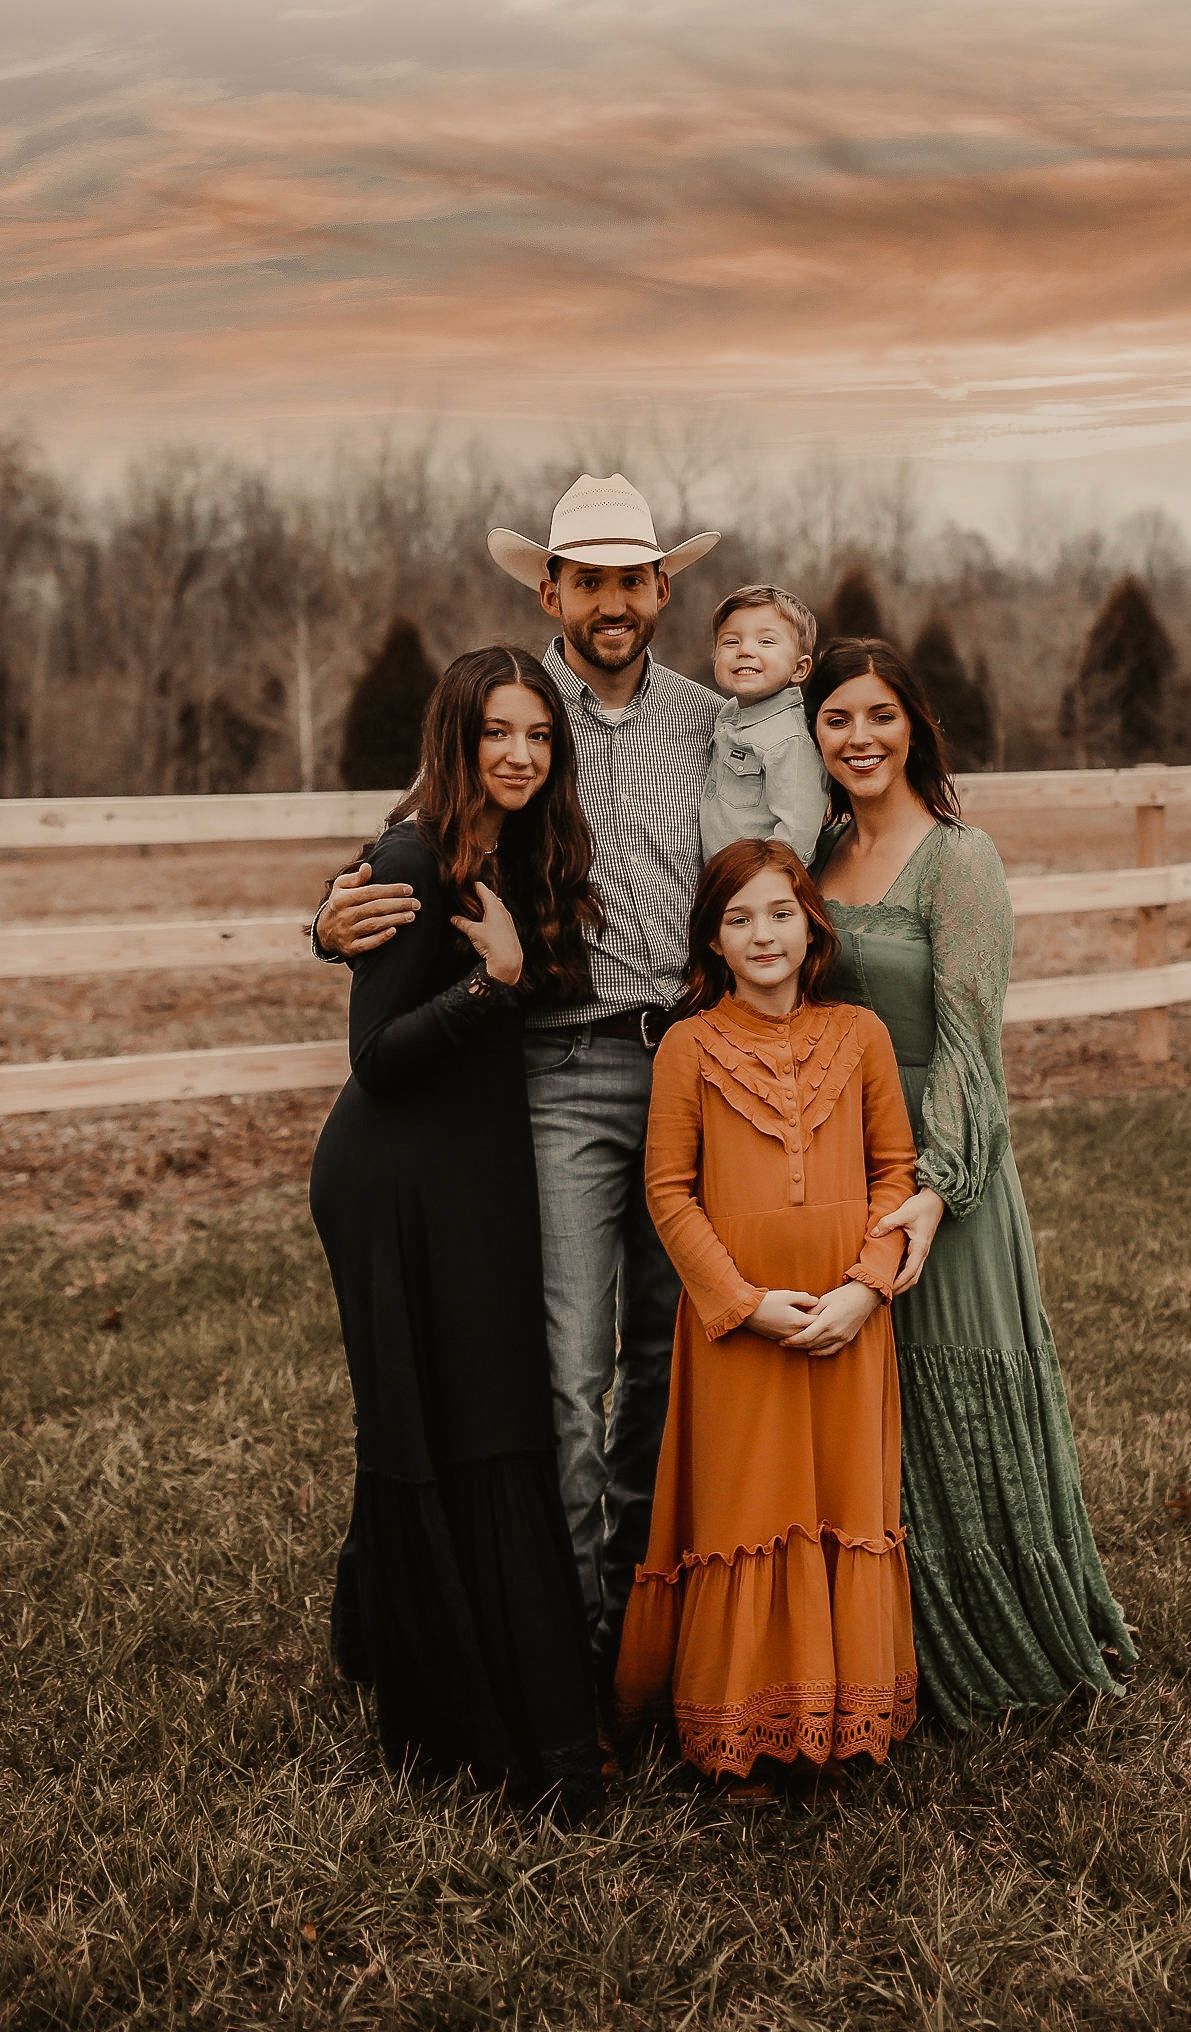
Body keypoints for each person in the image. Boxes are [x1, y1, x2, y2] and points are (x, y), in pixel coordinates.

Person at [314, 474, 722, 1702]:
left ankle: (645, 1633)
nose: (611, 601)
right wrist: (330, 924)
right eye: (585, 579)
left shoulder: (715, 722)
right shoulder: (514, 710)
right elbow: (427, 838)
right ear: (549, 589)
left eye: (631, 579)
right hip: (559, 1070)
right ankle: (572, 1641)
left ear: (662, 589)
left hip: (694, 1062)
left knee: (669, 1354)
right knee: (561, 1366)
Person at [809, 637, 1137, 1726]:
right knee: (872, 1406)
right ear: (811, 734)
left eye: (878, 715)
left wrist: (934, 1189)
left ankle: (998, 1646)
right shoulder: (813, 854)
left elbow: (967, 1044)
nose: (859, 737)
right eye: (836, 718)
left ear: (915, 726)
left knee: (953, 1386)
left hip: (943, 1170)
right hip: (838, 1157)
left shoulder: (960, 858)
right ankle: (882, 1648)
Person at [309, 646, 605, 1810]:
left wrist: (518, 971)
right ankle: (457, 1712)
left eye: (539, 734)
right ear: (457, 737)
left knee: (480, 1409)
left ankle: (379, 1637)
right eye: (499, 733)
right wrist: (491, 985)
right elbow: (376, 1058)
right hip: (393, 1177)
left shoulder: (515, 842)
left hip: (476, 1166)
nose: (522, 754)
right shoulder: (413, 851)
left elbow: (537, 977)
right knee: (432, 1420)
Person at [614, 840, 918, 1799]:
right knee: (751, 1514)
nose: (762, 934)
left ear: (809, 924)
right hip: (740, 1333)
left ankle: (839, 1723)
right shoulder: (687, 1047)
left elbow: (894, 1174)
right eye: (738, 918)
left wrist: (865, 1290)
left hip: (845, 1319)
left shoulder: (860, 1035)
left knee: (840, 1506)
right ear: (711, 936)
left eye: (779, 912)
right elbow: (667, 1194)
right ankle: (743, 1727)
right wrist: (743, 1306)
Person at [699, 584, 830, 864]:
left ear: (799, 669)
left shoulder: (789, 740)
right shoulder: (727, 716)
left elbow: (798, 833)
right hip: (715, 884)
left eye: (766, 642)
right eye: (730, 642)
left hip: (755, 890)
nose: (745, 650)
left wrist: (763, 885)